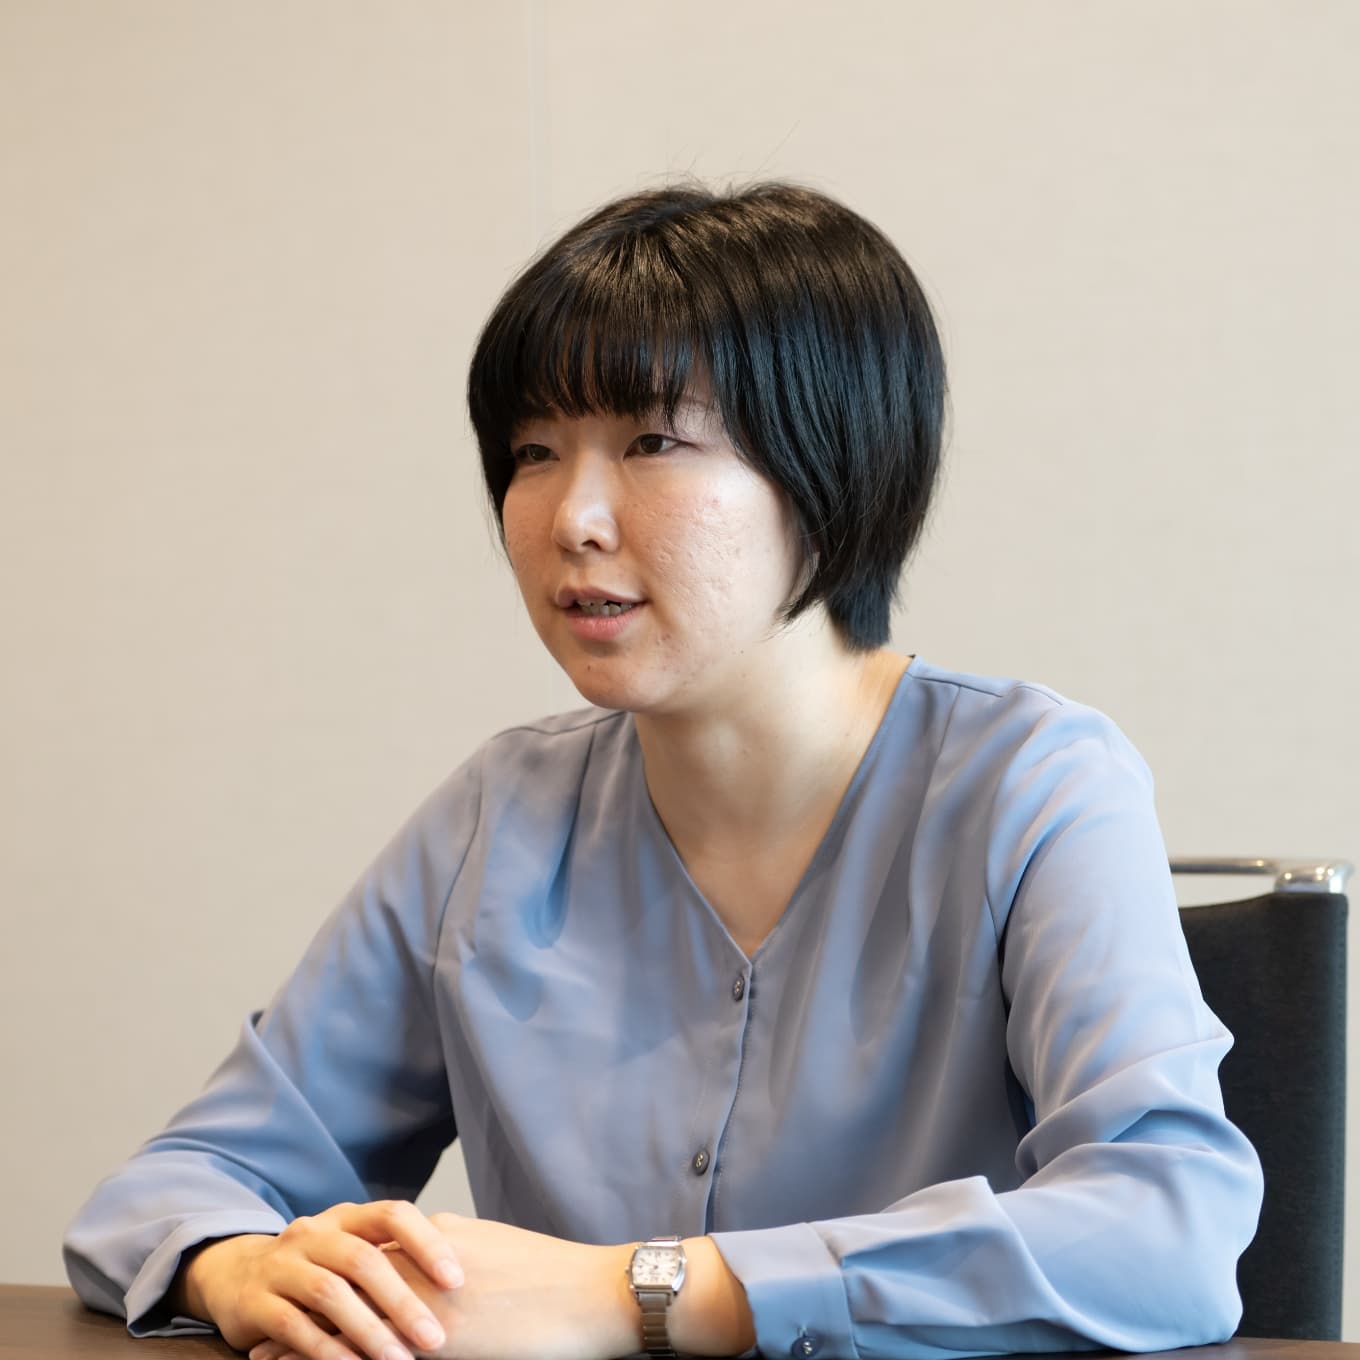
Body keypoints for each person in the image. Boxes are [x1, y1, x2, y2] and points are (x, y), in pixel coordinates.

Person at [64, 181, 1263, 1360]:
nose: (571, 518)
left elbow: (1166, 1232)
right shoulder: (500, 814)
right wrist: (239, 1263)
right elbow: (175, 1188)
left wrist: (630, 1293)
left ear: (832, 465)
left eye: (652, 442)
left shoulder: (1032, 785)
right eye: (533, 451)